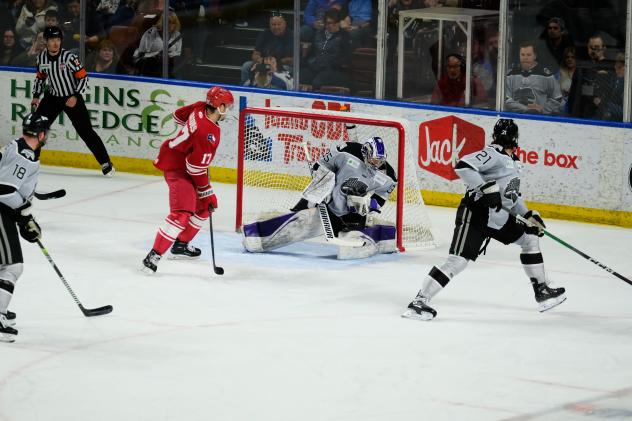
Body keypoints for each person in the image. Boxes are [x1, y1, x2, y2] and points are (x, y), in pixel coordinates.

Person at [402, 118, 567, 321]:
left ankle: (542, 291)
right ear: (515, 138)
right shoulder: (492, 153)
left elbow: (512, 196)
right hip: (476, 214)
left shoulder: (515, 163)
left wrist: (527, 215)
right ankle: (419, 302)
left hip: (499, 218)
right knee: (458, 261)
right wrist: (484, 187)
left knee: (530, 237)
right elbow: (463, 166)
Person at [242, 137, 398, 260]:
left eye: (379, 161)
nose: (376, 164)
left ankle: (377, 235)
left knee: (354, 231)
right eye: (373, 160)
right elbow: (322, 165)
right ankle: (257, 234)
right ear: (365, 152)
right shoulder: (347, 151)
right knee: (299, 218)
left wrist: (371, 203)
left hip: (353, 213)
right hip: (327, 203)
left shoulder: (388, 175)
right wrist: (324, 182)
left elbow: (382, 194)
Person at [141, 86, 234, 274]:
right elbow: (195, 168)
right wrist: (207, 192)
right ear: (219, 106)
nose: (229, 111)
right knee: (182, 213)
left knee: (203, 208)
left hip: (179, 159)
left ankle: (181, 246)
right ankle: (153, 257)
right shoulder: (209, 133)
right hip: (178, 168)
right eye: (227, 106)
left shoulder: (200, 107)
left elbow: (177, 116)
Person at [31, 26, 115, 176]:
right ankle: (32, 159)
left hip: (71, 96)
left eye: (58, 40)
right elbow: (40, 78)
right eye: (52, 40)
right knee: (38, 127)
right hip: (52, 97)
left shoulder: (69, 57)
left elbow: (83, 78)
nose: (55, 43)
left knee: (86, 131)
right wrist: (36, 96)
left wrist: (75, 96)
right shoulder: (41, 58)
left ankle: (106, 162)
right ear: (46, 42)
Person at [0, 113, 50, 342]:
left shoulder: (14, 145)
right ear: (40, 134)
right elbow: (4, 190)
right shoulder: (25, 157)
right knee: (13, 266)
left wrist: (23, 216)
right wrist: (24, 212)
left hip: (5, 211)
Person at [505, 41, 564, 115]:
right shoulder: (511, 74)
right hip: (515, 117)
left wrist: (543, 110)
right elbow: (506, 99)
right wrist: (527, 109)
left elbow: (557, 97)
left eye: (528, 55)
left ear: (535, 56)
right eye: (522, 55)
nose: (525, 58)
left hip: (539, 120)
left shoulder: (545, 75)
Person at [300, 9, 353, 92]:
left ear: (339, 23)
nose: (330, 26)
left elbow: (347, 58)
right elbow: (312, 52)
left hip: (333, 69)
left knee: (317, 82)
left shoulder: (344, 36)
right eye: (328, 23)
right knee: (299, 78)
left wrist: (331, 64)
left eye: (333, 23)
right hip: (315, 67)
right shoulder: (318, 34)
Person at [240, 12, 293, 85]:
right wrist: (261, 60)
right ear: (270, 25)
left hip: (282, 65)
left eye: (279, 24)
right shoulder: (265, 34)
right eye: (273, 24)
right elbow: (255, 54)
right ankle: (246, 87)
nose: (276, 27)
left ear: (284, 24)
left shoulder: (291, 36)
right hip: (263, 63)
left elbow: (292, 60)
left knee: (286, 68)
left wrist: (274, 62)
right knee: (246, 66)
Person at [569, 34, 612, 120]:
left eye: (596, 47)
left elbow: (609, 94)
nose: (593, 50)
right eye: (590, 47)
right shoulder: (582, 66)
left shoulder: (610, 68)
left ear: (604, 48)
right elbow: (574, 90)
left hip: (598, 115)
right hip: (579, 113)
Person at [133, 10, 182, 78]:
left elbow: (177, 53)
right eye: (168, 22)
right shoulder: (151, 33)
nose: (170, 25)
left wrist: (168, 57)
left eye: (173, 22)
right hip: (150, 65)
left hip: (168, 67)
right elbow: (141, 53)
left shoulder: (177, 35)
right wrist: (155, 55)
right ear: (162, 22)